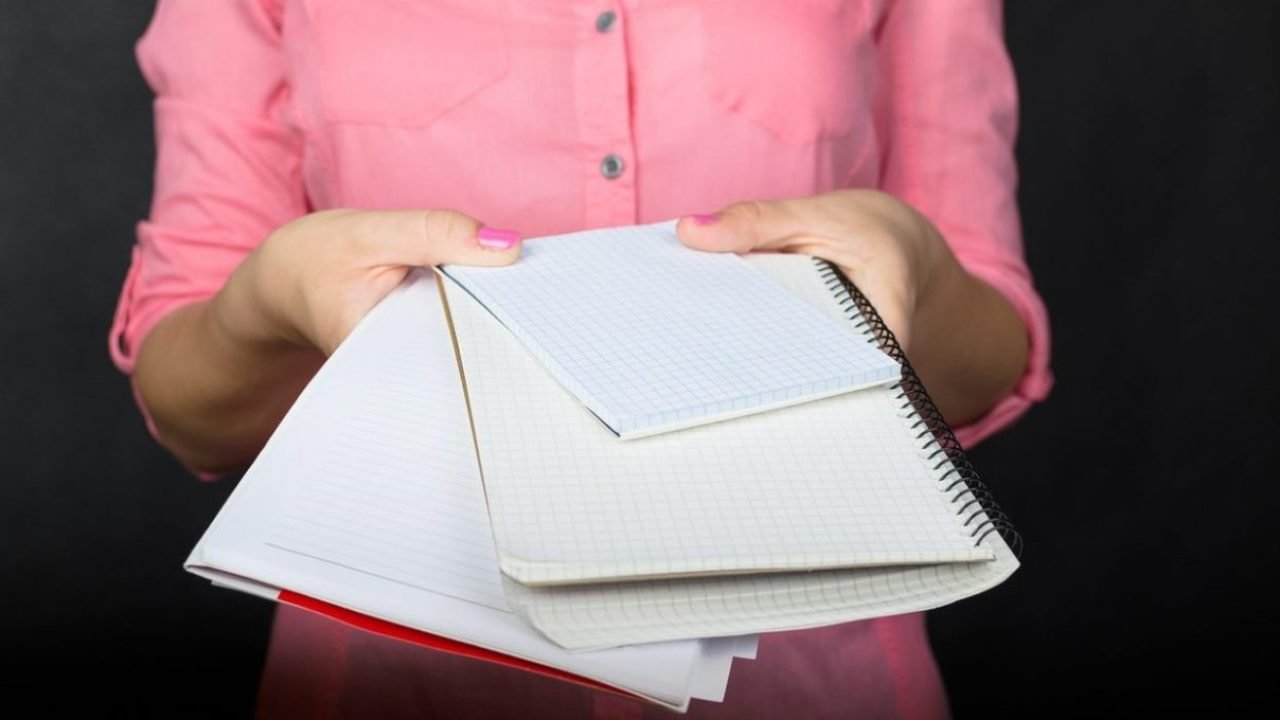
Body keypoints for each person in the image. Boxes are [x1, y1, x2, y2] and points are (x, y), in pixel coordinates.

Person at [109, 1, 1053, 718]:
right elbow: (190, 407)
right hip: (390, 672)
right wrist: (274, 293)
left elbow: (990, 356)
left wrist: (916, 270)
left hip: (817, 672)